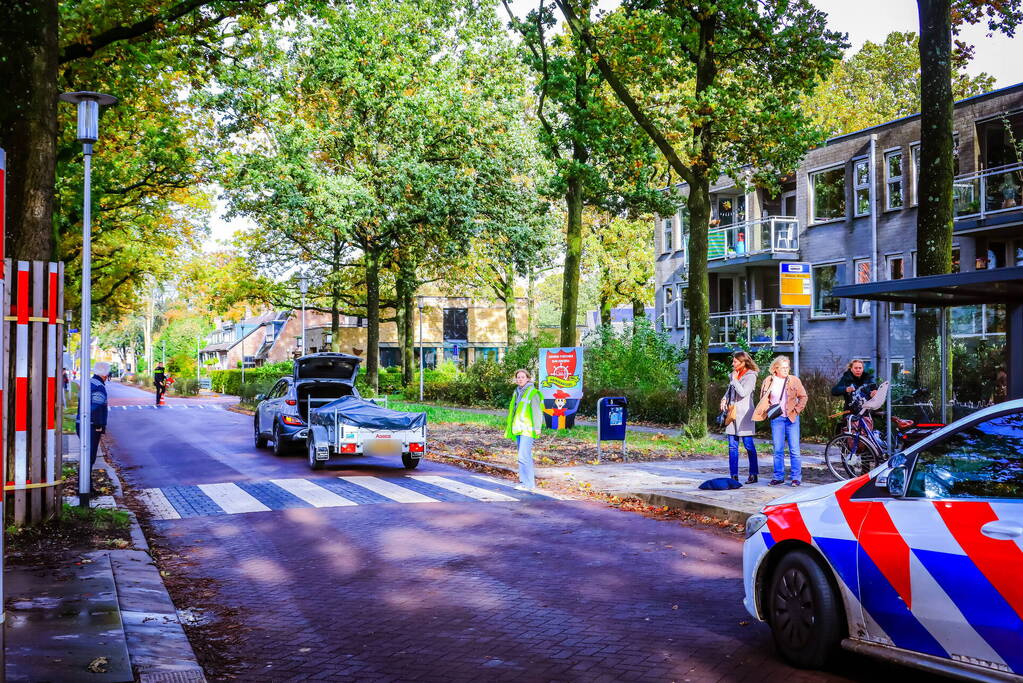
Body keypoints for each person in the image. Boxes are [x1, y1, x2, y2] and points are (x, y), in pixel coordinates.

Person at [754, 356, 807, 487]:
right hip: (777, 418)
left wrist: (797, 410)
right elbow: (763, 398)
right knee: (778, 449)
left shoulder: (794, 380)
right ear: (775, 368)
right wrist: (767, 410)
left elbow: (803, 397)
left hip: (791, 417)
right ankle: (778, 477)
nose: (786, 370)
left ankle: (796, 478)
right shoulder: (768, 380)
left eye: (787, 367)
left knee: (794, 449)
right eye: (783, 367)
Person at [719, 350, 759, 483]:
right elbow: (730, 390)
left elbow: (743, 393)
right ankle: (733, 476)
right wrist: (724, 399)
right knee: (732, 446)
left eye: (735, 361)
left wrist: (735, 380)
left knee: (748, 445)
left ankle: (753, 474)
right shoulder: (734, 374)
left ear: (743, 362)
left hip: (744, 415)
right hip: (732, 413)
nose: (733, 363)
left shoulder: (751, 376)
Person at [505, 369, 543, 490]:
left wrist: (537, 427)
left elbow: (537, 411)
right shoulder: (517, 392)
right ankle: (526, 483)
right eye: (518, 377)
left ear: (528, 379)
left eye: (522, 377)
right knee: (524, 456)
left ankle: (528, 484)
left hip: (528, 429)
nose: (520, 379)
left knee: (523, 456)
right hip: (519, 429)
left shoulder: (533, 393)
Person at [76, 361, 110, 472]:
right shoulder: (99, 386)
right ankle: (85, 481)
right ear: (105, 374)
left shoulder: (88, 383)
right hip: (91, 425)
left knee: (86, 455)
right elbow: (96, 407)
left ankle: (84, 480)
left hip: (81, 423)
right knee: (90, 456)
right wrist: (99, 425)